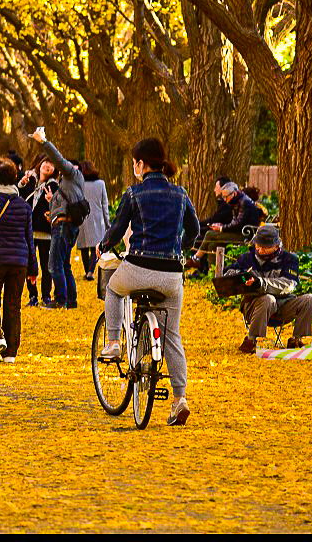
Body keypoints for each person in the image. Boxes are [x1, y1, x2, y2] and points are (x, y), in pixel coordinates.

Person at [98, 138, 199, 427]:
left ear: (142, 164)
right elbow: (194, 229)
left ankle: (114, 341)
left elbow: (117, 229)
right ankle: (180, 399)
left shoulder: (134, 193)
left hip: (139, 266)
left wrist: (104, 244)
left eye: (134, 162)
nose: (133, 167)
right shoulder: (181, 194)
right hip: (171, 274)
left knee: (114, 288)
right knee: (172, 337)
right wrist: (181, 248)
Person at [0, 158, 38, 363]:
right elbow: (30, 239)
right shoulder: (23, 205)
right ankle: (10, 352)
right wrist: (33, 268)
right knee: (13, 304)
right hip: (19, 261)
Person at [222, 225, 312, 353]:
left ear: (277, 246)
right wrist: (243, 277)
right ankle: (250, 340)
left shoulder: (290, 259)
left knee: (310, 299)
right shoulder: (246, 258)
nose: (260, 250)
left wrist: (261, 283)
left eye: (265, 247)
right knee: (268, 299)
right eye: (258, 246)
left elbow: (289, 285)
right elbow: (227, 275)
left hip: (283, 306)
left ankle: (296, 339)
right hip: (254, 306)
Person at [29, 129, 86, 309]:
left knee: (53, 265)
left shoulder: (72, 174)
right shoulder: (67, 184)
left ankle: (60, 300)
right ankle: (71, 301)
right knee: (65, 265)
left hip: (63, 226)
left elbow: (58, 159)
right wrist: (51, 205)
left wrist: (44, 141)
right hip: (64, 224)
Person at [186, 181, 263, 276]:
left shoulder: (244, 202)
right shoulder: (237, 201)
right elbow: (235, 222)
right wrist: (221, 225)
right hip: (240, 232)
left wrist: (222, 228)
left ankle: (196, 258)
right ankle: (214, 273)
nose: (225, 199)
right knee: (212, 245)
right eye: (223, 197)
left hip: (245, 236)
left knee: (210, 234)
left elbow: (239, 224)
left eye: (226, 196)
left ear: (234, 193)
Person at [18, 155, 59, 308]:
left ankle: (46, 296)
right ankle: (33, 295)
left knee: (46, 265)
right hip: (28, 230)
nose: (48, 166)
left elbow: (57, 207)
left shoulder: (54, 186)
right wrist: (22, 184)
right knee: (30, 264)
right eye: (46, 162)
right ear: (40, 164)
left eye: (52, 164)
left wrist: (51, 201)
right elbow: (20, 197)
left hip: (46, 232)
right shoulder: (31, 181)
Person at [77, 160, 111, 281]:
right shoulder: (101, 184)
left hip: (82, 218)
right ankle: (91, 270)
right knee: (95, 247)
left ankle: (87, 271)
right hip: (97, 219)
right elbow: (104, 205)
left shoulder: (79, 185)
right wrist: (108, 224)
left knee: (84, 247)